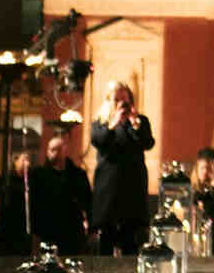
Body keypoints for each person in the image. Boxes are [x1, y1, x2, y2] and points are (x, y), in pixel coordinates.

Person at [90, 80, 155, 255]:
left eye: (124, 100)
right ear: (108, 101)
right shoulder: (101, 122)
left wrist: (134, 124)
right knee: (106, 238)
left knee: (130, 238)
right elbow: (98, 140)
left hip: (132, 187)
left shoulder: (140, 121)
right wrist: (113, 123)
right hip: (109, 188)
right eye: (116, 100)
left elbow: (148, 142)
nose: (120, 104)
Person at [31, 134, 92, 255]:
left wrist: (91, 226)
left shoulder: (77, 175)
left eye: (56, 149)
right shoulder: (39, 175)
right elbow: (35, 203)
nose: (53, 153)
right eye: (50, 150)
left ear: (64, 151)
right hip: (48, 228)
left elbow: (88, 200)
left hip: (72, 228)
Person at [0, 150, 35, 254]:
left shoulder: (31, 181)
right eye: (24, 160)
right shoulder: (4, 179)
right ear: (15, 161)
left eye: (28, 161)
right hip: (7, 228)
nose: (27, 163)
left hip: (24, 228)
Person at [191, 147, 214, 255]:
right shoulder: (193, 188)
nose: (205, 171)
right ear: (197, 170)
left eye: (207, 168)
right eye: (202, 168)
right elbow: (196, 203)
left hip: (213, 227)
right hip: (197, 226)